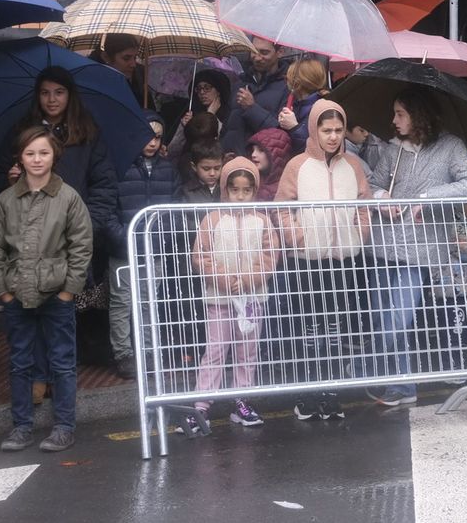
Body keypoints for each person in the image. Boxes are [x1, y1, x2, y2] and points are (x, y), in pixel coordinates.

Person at [0, 66, 121, 369]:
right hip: (31, 236)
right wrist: (9, 180)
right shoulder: (21, 131)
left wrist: (86, 227)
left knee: (73, 306)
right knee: (35, 308)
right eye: (45, 92)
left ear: (69, 96)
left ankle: (65, 372)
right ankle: (40, 371)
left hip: (76, 233)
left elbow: (104, 185)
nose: (52, 99)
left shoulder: (87, 132)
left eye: (59, 92)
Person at [362, 86, 467, 407]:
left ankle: (364, 365)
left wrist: (428, 197)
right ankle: (402, 386)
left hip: (420, 250)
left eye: (400, 114)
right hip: (383, 245)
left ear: (418, 115)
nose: (394, 120)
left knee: (398, 317)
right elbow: (373, 184)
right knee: (382, 318)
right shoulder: (393, 149)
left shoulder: (450, 146)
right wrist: (381, 198)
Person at [0, 127, 93, 453]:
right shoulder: (6, 199)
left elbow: (81, 247)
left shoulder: (68, 197)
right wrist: (3, 291)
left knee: (62, 362)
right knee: (20, 362)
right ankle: (21, 426)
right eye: (30, 153)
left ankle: (64, 427)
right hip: (17, 293)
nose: (37, 159)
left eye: (43, 153)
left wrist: (68, 291)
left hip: (56, 293)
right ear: (20, 157)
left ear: (54, 156)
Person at [274, 100, 370, 421]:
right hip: (307, 259)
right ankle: (308, 392)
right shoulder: (297, 165)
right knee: (309, 328)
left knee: (335, 328)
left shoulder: (353, 165)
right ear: (314, 130)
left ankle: (330, 392)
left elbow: (363, 204)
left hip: (342, 259)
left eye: (338, 130)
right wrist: (297, 237)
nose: (333, 136)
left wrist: (359, 234)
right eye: (326, 130)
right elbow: (282, 208)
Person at [178, 157, 279, 437]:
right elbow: (201, 256)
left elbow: (270, 256)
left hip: (252, 299)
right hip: (219, 300)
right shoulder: (212, 219)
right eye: (235, 190)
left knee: (247, 351)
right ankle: (201, 406)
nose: (241, 196)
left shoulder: (262, 220)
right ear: (226, 189)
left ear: (254, 191)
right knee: (215, 351)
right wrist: (226, 280)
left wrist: (246, 280)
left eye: (247, 190)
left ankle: (242, 401)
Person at [109, 112, 176, 379]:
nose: (152, 142)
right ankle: (123, 354)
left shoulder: (168, 169)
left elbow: (173, 209)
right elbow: (107, 208)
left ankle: (149, 351)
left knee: (149, 302)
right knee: (122, 302)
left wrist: (161, 238)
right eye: (147, 135)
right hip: (122, 249)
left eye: (158, 137)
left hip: (153, 249)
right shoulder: (118, 167)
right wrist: (121, 237)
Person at [170, 69, 244, 157]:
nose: (202, 92)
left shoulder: (229, 114)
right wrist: (185, 128)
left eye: (207, 88)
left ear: (218, 91)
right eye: (199, 88)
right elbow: (172, 151)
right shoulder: (192, 112)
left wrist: (210, 117)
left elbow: (223, 143)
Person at [231, 36, 290, 144]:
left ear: (280, 52)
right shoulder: (241, 82)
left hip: (261, 153)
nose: (257, 58)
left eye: (264, 52)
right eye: (253, 51)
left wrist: (252, 108)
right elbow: (229, 126)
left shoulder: (288, 87)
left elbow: (282, 135)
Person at [277, 58, 328, 153]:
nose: (286, 81)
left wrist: (294, 127)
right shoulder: (297, 103)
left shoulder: (322, 109)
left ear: (297, 83)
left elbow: (317, 148)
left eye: (288, 78)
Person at [89, 33, 144, 107]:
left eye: (135, 58)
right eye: (126, 58)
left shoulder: (139, 75)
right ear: (106, 57)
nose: (133, 65)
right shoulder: (88, 84)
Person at [246, 127, 292, 202]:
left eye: (261, 150)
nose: (253, 155)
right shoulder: (248, 180)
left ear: (275, 154)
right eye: (252, 150)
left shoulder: (287, 188)